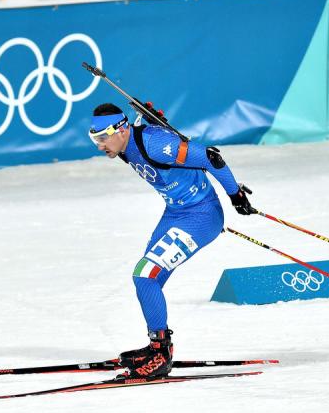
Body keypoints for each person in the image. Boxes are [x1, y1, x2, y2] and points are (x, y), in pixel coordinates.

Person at [88, 102, 254, 379]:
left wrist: (235, 195)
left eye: (103, 137)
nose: (100, 145)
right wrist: (156, 119)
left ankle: (161, 355)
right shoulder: (126, 143)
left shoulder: (154, 144)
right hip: (175, 213)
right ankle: (157, 345)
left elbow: (211, 158)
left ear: (121, 129)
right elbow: (147, 132)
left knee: (145, 275)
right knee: (146, 280)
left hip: (201, 216)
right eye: (95, 139)